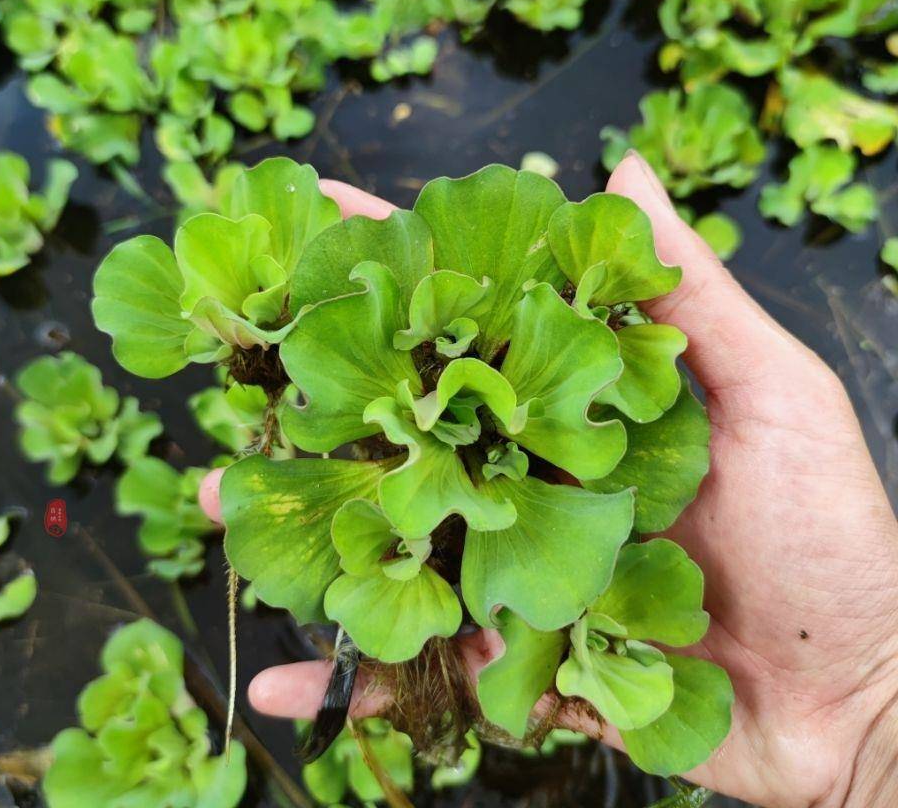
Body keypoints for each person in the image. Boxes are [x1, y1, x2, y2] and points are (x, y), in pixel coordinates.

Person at [199, 151, 898, 808]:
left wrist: (874, 718)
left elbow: (611, 481)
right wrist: (871, 717)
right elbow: (334, 341)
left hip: (521, 506)